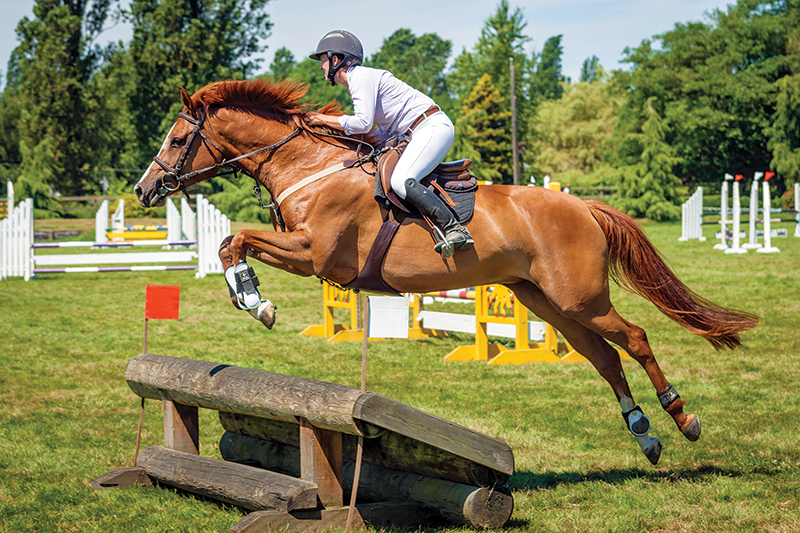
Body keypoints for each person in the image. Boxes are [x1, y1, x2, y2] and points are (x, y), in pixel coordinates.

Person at [306, 30, 473, 256]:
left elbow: (364, 124)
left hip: (431, 127)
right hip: (420, 130)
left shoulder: (360, 78)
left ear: (336, 60)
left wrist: (320, 119)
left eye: (323, 60)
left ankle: (454, 228)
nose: (321, 67)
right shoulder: (361, 81)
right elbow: (380, 132)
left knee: (401, 181)